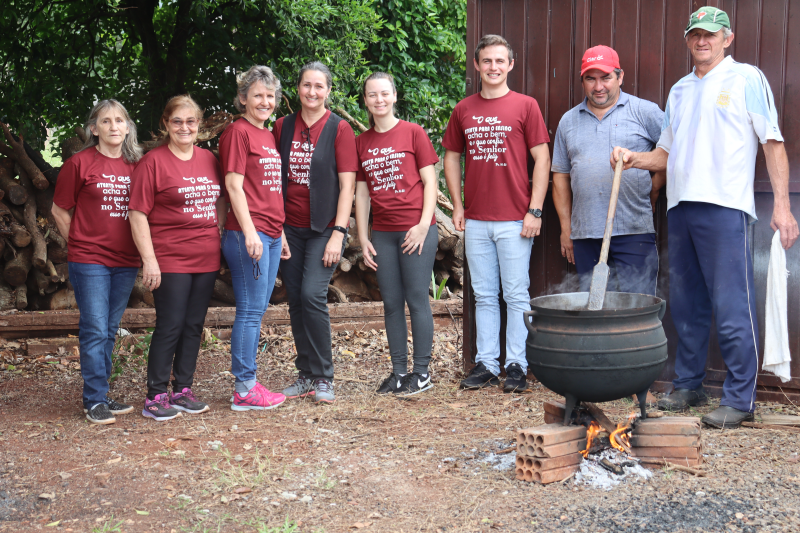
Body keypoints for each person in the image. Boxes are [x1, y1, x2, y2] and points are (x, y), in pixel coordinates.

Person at [611, 6, 799, 428]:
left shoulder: (746, 78)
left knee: (733, 304)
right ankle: (689, 385)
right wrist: (632, 158)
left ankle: (739, 399)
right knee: (688, 304)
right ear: (687, 39)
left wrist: (783, 207)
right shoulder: (679, 90)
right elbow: (666, 152)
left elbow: (772, 142)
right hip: (680, 207)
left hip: (725, 206)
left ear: (727, 38)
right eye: (695, 34)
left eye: (710, 34)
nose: (702, 41)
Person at [443, 34, 551, 393]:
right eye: (486, 61)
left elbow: (542, 159)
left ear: (511, 65)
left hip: (515, 219)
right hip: (476, 219)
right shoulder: (464, 109)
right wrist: (457, 206)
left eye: (499, 61)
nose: (493, 67)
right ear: (477, 65)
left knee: (516, 295)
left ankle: (517, 364)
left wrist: (534, 209)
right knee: (485, 295)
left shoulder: (525, 106)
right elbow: (451, 157)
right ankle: (487, 364)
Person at [129, 95, 226, 421]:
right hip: (170, 257)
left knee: (193, 325)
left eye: (191, 121)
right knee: (170, 325)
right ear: (165, 124)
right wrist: (149, 260)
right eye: (177, 121)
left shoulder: (209, 159)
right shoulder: (152, 163)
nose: (185, 127)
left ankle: (183, 389)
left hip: (206, 256)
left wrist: (220, 231)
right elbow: (138, 214)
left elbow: (221, 200)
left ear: (200, 125)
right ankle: (155, 396)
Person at [52, 100, 142, 425]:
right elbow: (59, 211)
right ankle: (93, 400)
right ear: (94, 129)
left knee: (108, 329)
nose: (114, 126)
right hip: (90, 260)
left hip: (126, 260)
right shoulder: (79, 164)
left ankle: (101, 394)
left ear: (128, 127)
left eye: (120, 120)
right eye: (106, 121)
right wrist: (79, 243)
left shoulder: (138, 166)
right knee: (93, 328)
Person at [274, 62, 358, 404]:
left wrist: (339, 232)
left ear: (328, 91)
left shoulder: (339, 129)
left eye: (319, 86)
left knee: (312, 294)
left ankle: (324, 376)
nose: (312, 92)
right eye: (306, 85)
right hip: (288, 228)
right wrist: (276, 229)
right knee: (295, 300)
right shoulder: (281, 126)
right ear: (298, 89)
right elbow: (270, 179)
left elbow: (348, 184)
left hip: (324, 227)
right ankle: (305, 374)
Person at [552, 45, 665, 295]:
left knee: (637, 307)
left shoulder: (645, 112)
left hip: (634, 230)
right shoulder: (568, 121)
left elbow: (672, 154)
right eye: (590, 79)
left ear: (620, 77)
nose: (598, 86)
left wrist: (654, 188)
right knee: (593, 312)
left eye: (606, 77)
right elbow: (560, 176)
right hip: (585, 235)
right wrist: (566, 228)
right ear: (582, 80)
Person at [354, 72, 440, 396]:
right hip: (383, 234)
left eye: (384, 93)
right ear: (365, 100)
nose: (379, 100)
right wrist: (363, 238)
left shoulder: (413, 133)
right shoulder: (361, 142)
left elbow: (430, 183)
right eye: (372, 95)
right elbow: (362, 195)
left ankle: (422, 372)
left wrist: (422, 224)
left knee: (417, 299)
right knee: (391, 303)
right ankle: (400, 373)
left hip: (416, 230)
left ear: (394, 96)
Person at [220, 66, 290, 411]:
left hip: (271, 232)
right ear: (243, 97)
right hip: (249, 233)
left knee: (257, 309)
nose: (265, 101)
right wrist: (250, 231)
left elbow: (268, 188)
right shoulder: (238, 132)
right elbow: (234, 184)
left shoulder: (268, 133)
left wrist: (280, 232)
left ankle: (247, 383)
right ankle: (245, 388)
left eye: (270, 95)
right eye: (258, 95)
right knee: (250, 311)